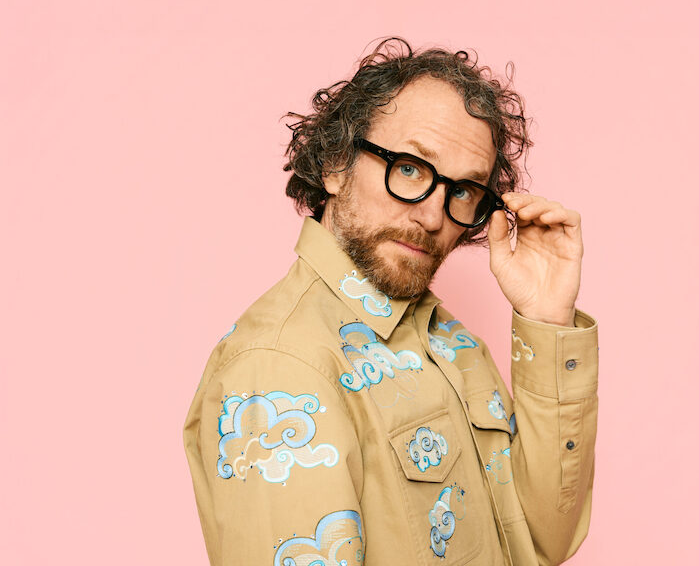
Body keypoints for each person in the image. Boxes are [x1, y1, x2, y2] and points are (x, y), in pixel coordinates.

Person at [183, 37, 599, 566]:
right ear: (336, 163)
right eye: (408, 168)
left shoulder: (451, 342)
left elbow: (542, 541)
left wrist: (546, 318)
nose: (433, 216)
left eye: (462, 191)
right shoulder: (279, 366)